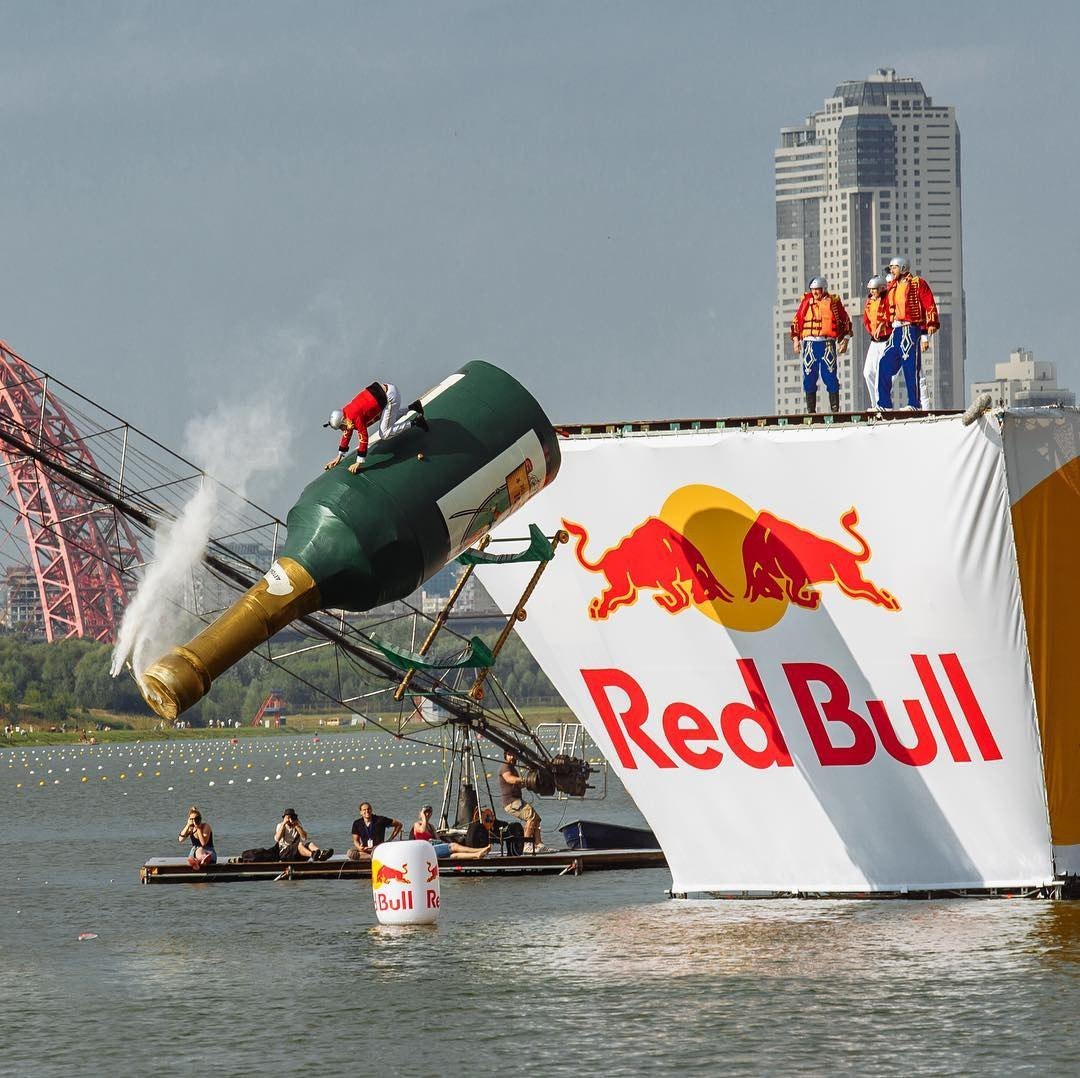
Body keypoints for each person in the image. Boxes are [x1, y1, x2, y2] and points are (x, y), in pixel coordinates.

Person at [324, 382, 428, 474]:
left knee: (385, 433)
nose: (342, 429)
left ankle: (416, 422)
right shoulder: (346, 413)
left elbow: (363, 438)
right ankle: (414, 407)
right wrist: (339, 456)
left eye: (341, 427)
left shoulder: (354, 416)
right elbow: (347, 432)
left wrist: (358, 462)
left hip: (390, 397)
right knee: (386, 420)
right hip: (386, 393)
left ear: (343, 420)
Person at [878, 256, 939, 410]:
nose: (892, 270)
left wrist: (929, 328)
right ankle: (884, 404)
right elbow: (887, 308)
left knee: (911, 368)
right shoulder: (892, 286)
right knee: (884, 363)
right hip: (897, 330)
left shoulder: (917, 283)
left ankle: (914, 403)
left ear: (903, 268)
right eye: (891, 267)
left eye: (894, 267)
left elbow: (929, 304)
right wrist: (883, 324)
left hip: (911, 329)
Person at [791, 277, 852, 415]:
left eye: (817, 290)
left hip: (827, 344)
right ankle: (811, 411)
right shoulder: (806, 303)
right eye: (813, 290)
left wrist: (845, 340)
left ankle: (835, 409)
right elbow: (796, 322)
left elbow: (845, 320)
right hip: (809, 345)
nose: (815, 293)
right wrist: (796, 340)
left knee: (830, 376)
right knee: (809, 377)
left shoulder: (833, 303)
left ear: (823, 289)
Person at [499, 751, 549, 852]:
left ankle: (538, 844)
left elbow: (519, 784)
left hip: (517, 801)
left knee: (537, 819)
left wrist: (529, 783)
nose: (512, 757)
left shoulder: (513, 768)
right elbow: (509, 779)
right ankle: (527, 845)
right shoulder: (505, 767)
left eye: (513, 755)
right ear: (505, 756)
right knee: (531, 817)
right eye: (510, 755)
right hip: (511, 802)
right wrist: (523, 779)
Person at [862, 275, 892, 409]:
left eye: (875, 289)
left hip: (887, 340)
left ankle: (882, 404)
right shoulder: (869, 302)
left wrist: (882, 326)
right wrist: (871, 331)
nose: (872, 292)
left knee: (881, 372)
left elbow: (890, 315)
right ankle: (875, 404)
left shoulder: (888, 299)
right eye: (871, 289)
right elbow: (866, 320)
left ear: (881, 288)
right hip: (874, 341)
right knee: (867, 372)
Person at [179, 806, 217, 870]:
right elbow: (181, 839)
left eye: (195, 819)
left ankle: (203, 859)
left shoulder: (205, 826)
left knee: (200, 849)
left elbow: (203, 843)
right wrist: (187, 825)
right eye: (191, 819)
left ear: (199, 819)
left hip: (208, 851)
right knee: (194, 855)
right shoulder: (190, 828)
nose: (194, 821)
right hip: (194, 851)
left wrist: (198, 828)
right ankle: (197, 862)